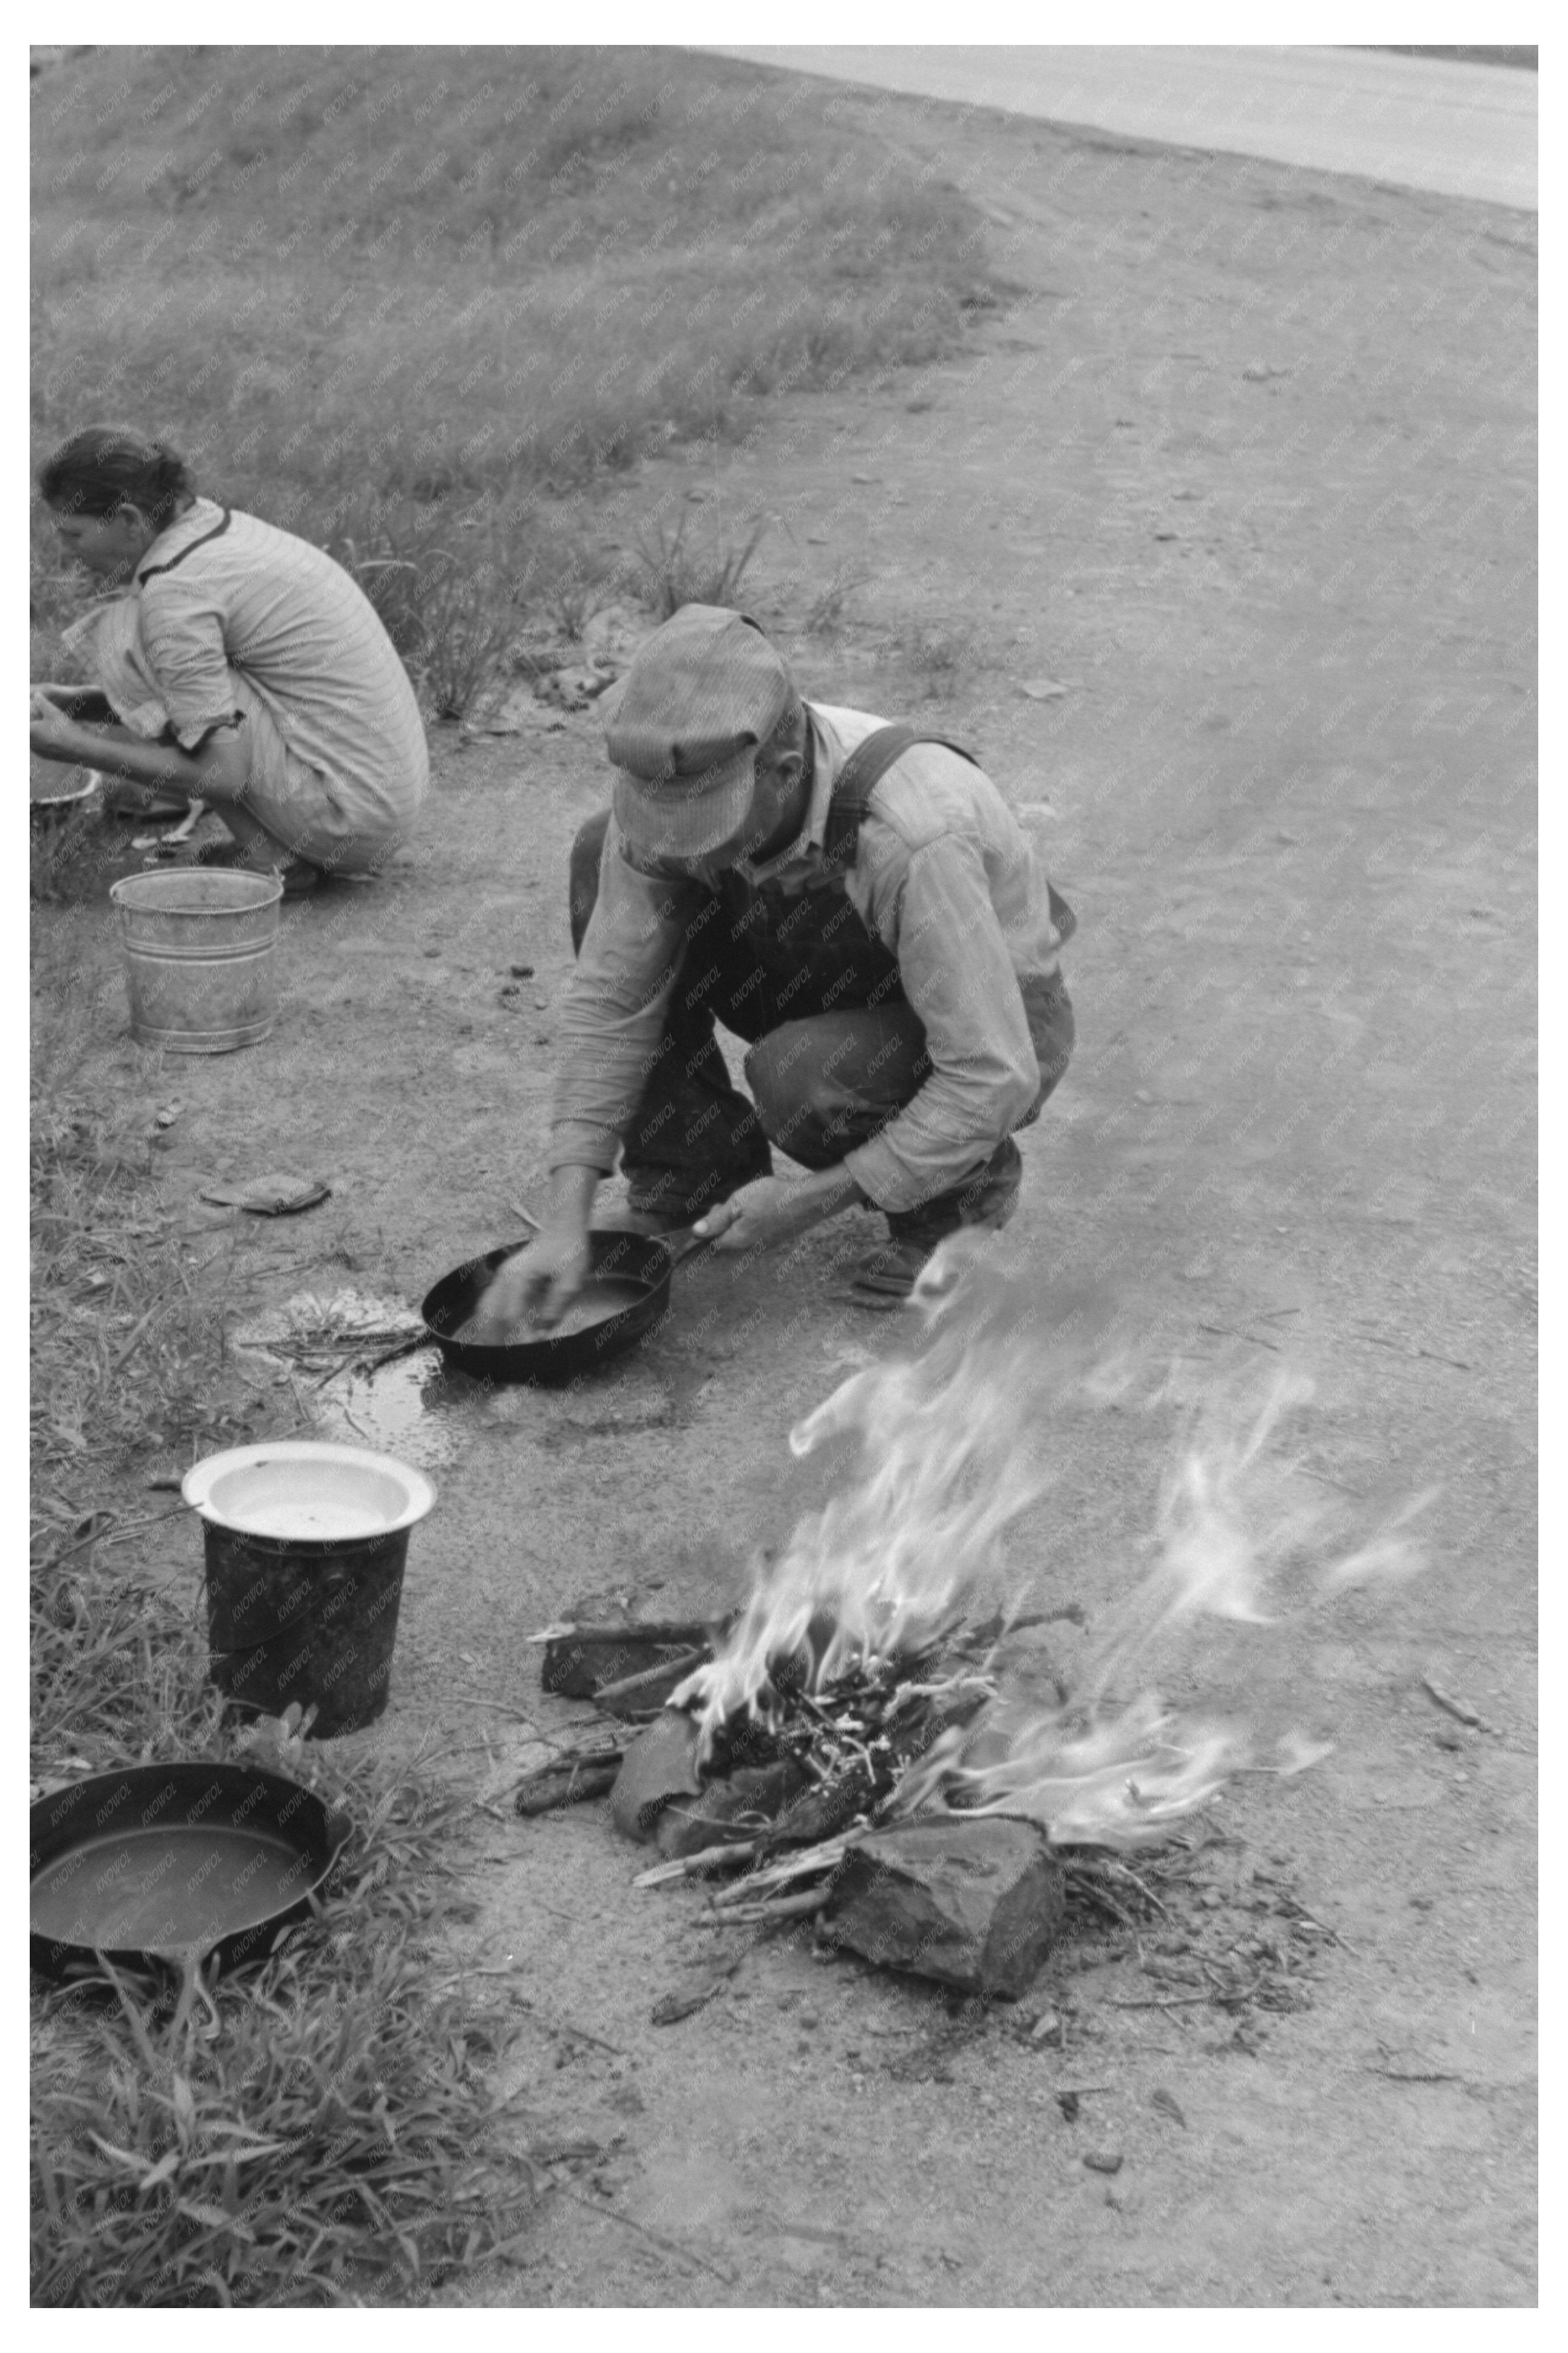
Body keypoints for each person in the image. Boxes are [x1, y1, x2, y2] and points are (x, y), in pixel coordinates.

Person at [478, 601, 1076, 1327]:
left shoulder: (915, 832)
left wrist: (806, 1202)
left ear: (785, 771)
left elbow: (991, 1071)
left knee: (800, 1075)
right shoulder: (669, 777)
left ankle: (955, 1198)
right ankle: (691, 1174)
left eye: (707, 826)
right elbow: (613, 1001)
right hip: (822, 966)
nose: (679, 849)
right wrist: (563, 1221)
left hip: (993, 1023)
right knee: (595, 852)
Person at [29, 426, 428, 892]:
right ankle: (278, 848)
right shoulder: (215, 529)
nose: (68, 551)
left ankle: (274, 861)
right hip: (384, 794)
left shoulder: (176, 595)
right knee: (173, 668)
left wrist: (74, 746)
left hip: (350, 819)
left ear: (130, 519)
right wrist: (81, 705)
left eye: (74, 533)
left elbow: (221, 776)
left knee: (127, 635)